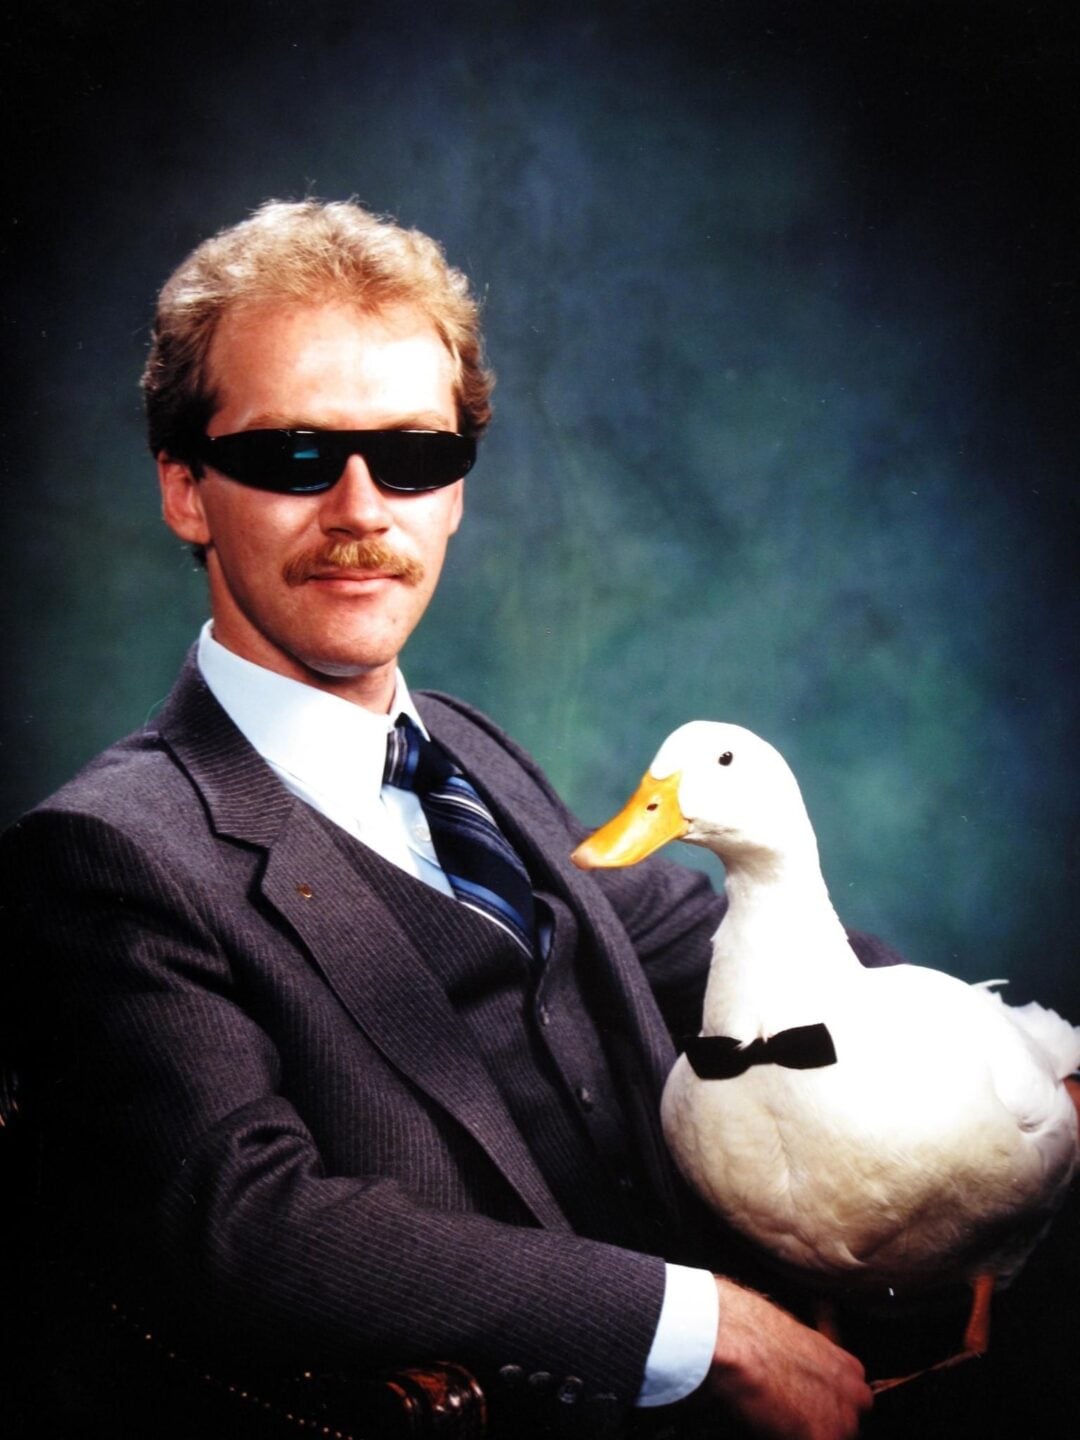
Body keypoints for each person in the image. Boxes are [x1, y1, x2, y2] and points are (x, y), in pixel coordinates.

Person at [1, 200, 881, 1439]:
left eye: (412, 457)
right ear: (187, 491)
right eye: (295, 457)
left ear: (455, 494)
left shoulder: (468, 747)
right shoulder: (106, 854)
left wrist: (1017, 1058)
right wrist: (700, 1327)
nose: (364, 509)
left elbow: (696, 932)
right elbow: (251, 1220)